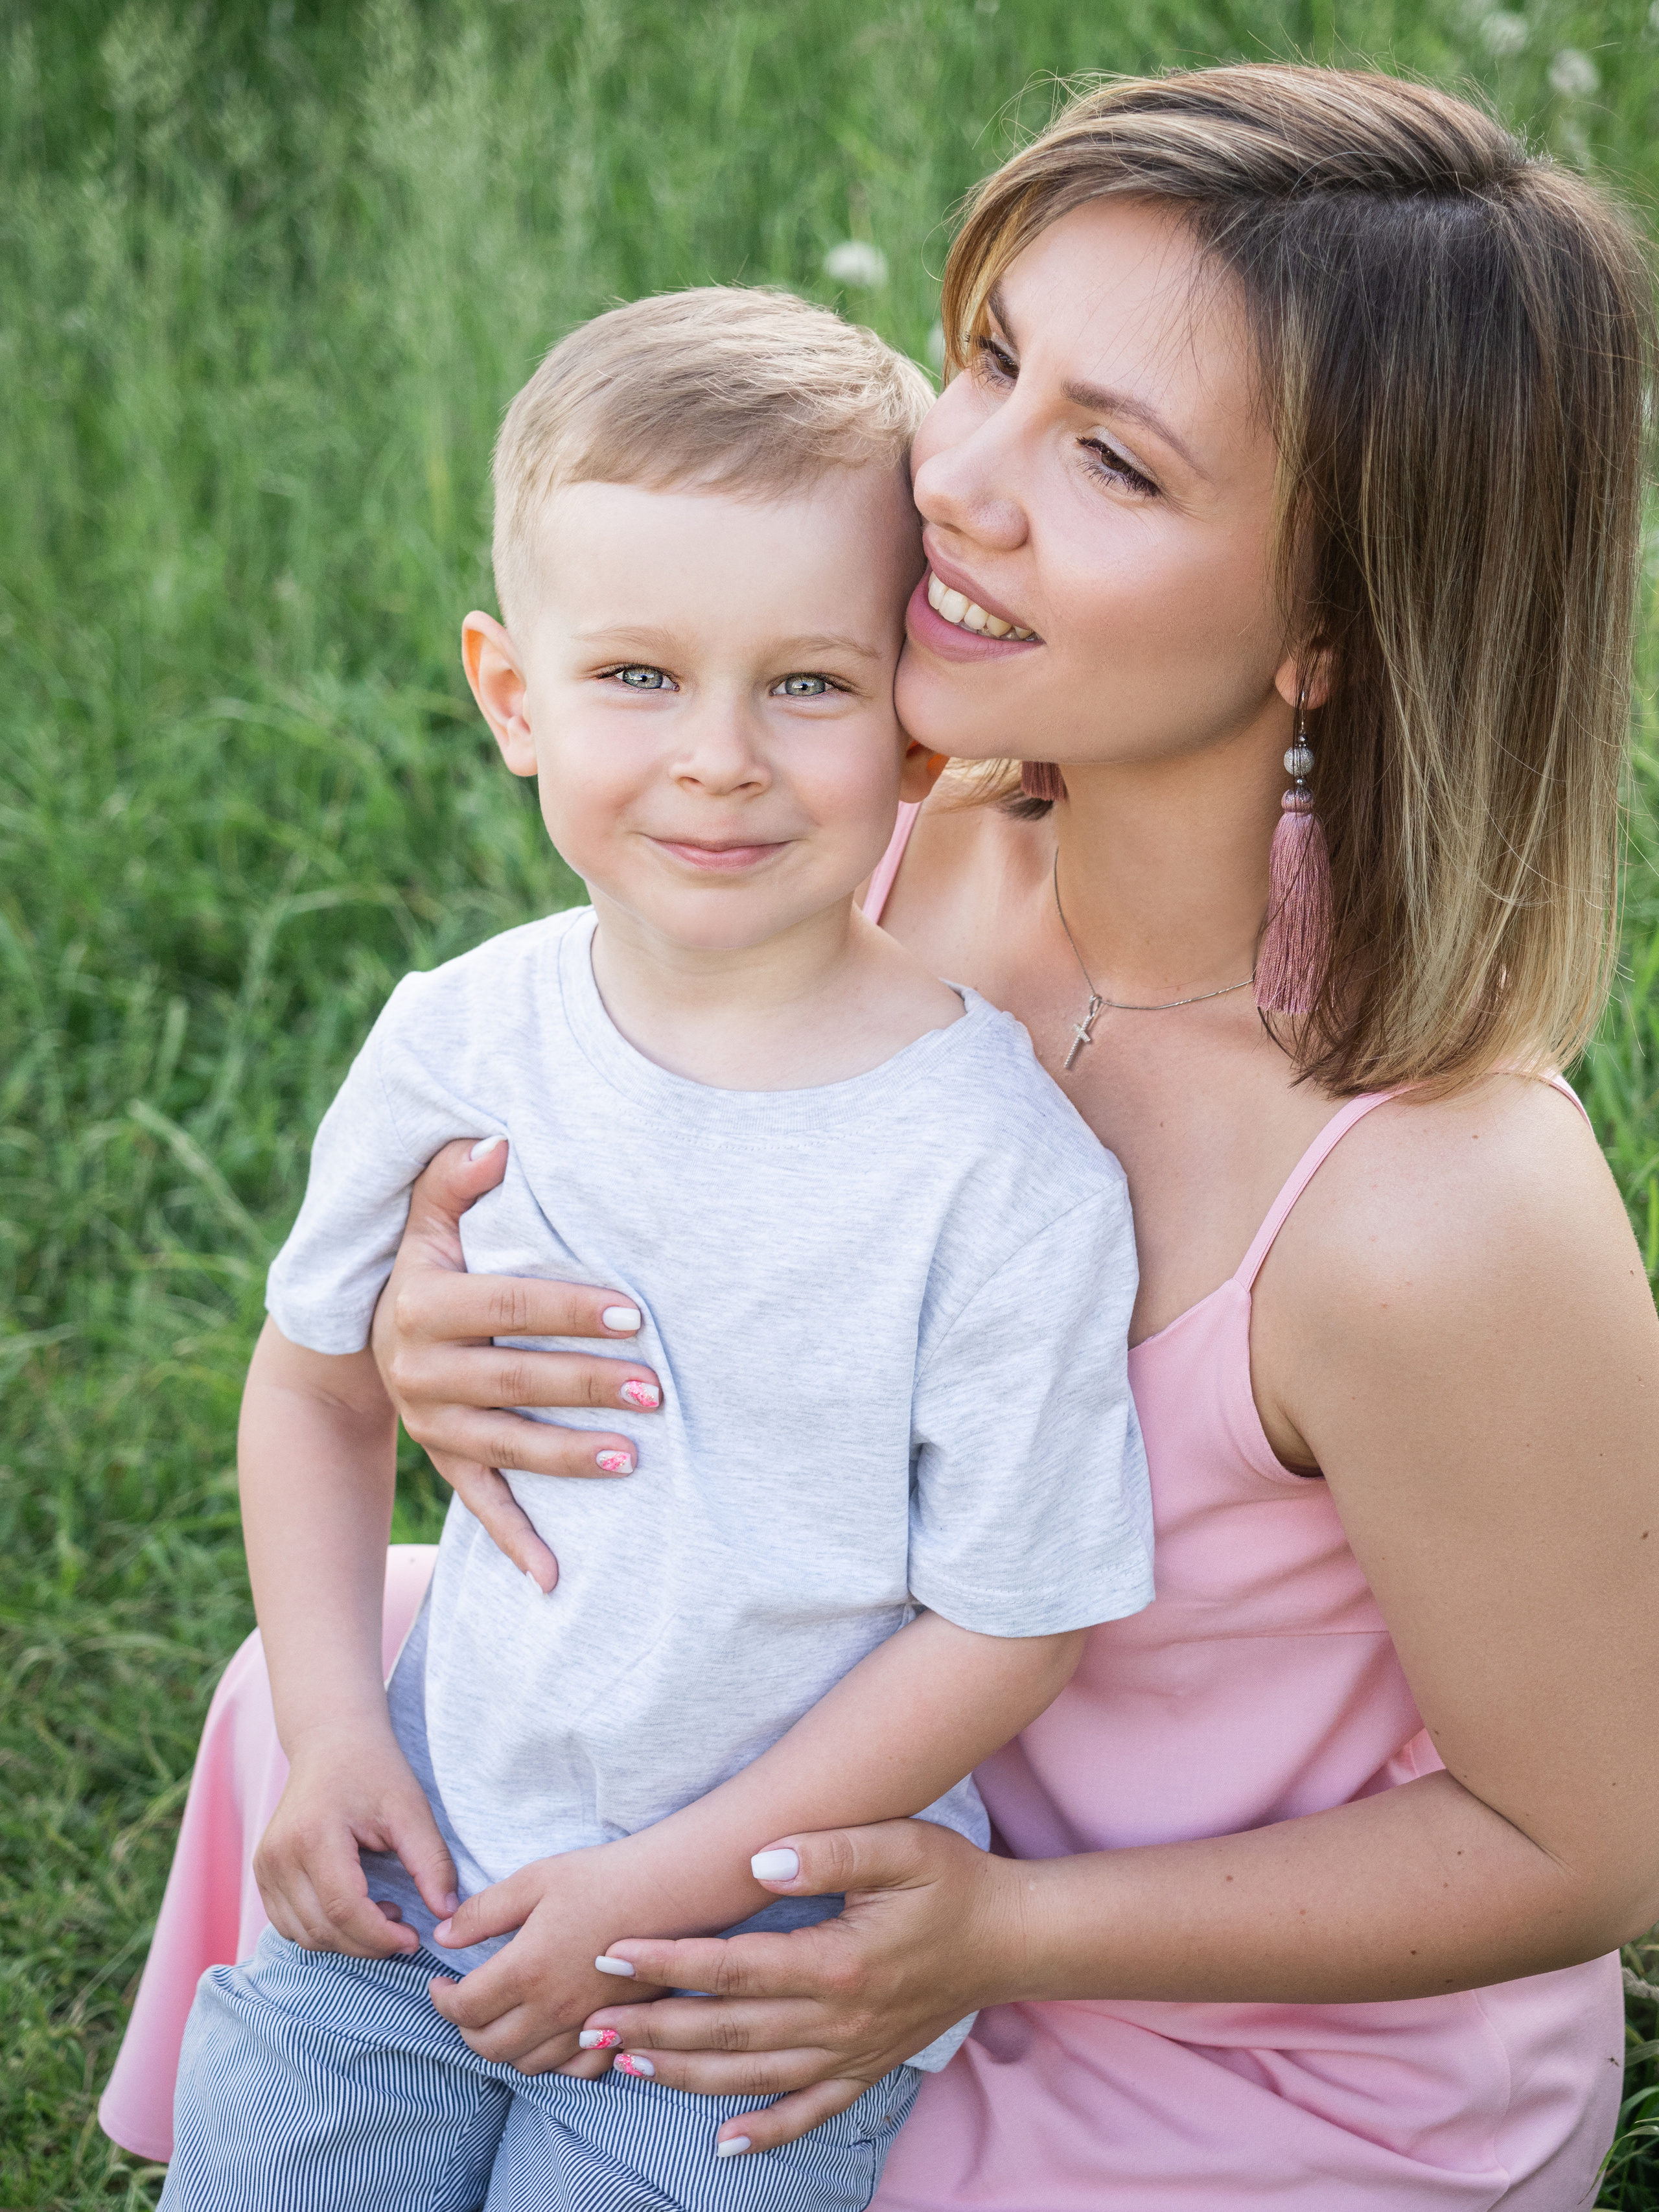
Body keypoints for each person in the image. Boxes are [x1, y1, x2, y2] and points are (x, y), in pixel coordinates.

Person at [102, 61, 1659, 2211]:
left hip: (1207, 2032)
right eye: (994, 361)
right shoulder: (905, 837)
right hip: (825, 1797)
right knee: (331, 1690)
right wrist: (433, 1339)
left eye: (1111, 461)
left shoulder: (1435, 1204)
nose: (962, 484)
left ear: (1334, 627)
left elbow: (1588, 1844)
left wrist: (1004, 1933)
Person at [154, 287, 1155, 2212]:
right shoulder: (458, 1035)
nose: (719, 760)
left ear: (920, 725)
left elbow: (1017, 1618)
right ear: (510, 692)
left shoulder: (1001, 1166)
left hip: (753, 1948)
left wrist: (661, 1889)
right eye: (635, 677)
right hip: (429, 1830)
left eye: (806, 683)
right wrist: (334, 1727)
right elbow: (317, 1387)